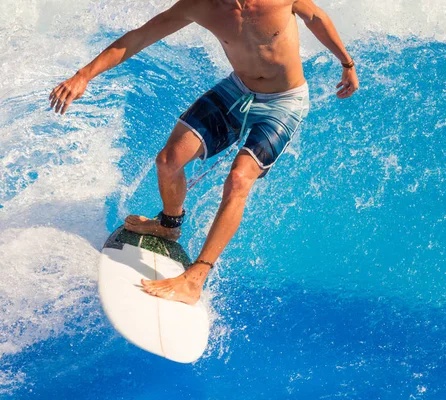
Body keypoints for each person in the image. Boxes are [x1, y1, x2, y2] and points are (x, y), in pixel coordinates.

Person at [49, 0, 359, 305]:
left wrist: (347, 64)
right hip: (236, 90)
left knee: (239, 179)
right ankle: (169, 226)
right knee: (168, 160)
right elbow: (140, 36)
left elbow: (316, 16)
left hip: (285, 101)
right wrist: (84, 75)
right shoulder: (200, 5)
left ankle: (196, 276)